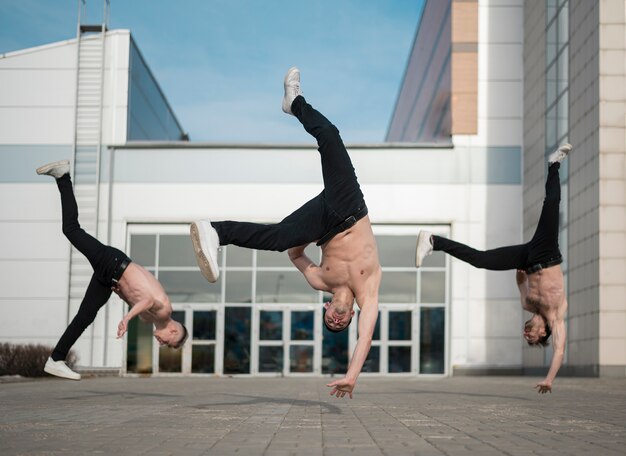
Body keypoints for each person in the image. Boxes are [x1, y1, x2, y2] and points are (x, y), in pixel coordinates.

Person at [190, 67, 382, 398]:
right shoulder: (368, 290)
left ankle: (216, 232)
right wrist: (353, 375)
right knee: (330, 135)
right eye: (341, 323)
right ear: (351, 312)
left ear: (326, 308)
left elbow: (294, 251)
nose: (336, 322)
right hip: (350, 206)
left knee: (279, 238)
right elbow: (366, 337)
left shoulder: (319, 281)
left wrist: (307, 230)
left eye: (332, 324)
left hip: (323, 226)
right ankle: (294, 101)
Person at [415, 143, 572, 393]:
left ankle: (433, 241)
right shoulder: (557, 315)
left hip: (527, 260)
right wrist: (550, 379)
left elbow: (520, 282)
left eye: (526, 338)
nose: (527, 335)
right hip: (547, 253)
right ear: (543, 333)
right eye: (531, 338)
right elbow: (560, 351)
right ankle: (554, 164)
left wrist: (519, 276)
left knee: (481, 260)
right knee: (551, 203)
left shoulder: (527, 304)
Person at [37, 161, 188, 380]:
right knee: (71, 229)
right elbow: (145, 300)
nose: (161, 343)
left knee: (86, 315)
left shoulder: (148, 320)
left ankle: (56, 359)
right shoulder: (165, 311)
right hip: (113, 262)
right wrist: (127, 319)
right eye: (168, 341)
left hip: (110, 278)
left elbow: (134, 295)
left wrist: (120, 293)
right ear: (173, 331)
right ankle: (63, 177)